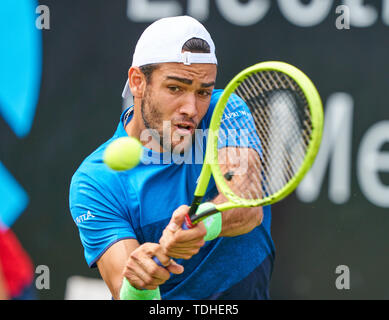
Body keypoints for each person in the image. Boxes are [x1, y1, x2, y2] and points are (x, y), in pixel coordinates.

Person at [69, 16, 274, 300]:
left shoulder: (224, 109)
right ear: (138, 82)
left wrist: (203, 224)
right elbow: (124, 293)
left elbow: (248, 203)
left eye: (202, 91)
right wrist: (140, 281)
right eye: (175, 88)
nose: (191, 108)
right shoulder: (95, 181)